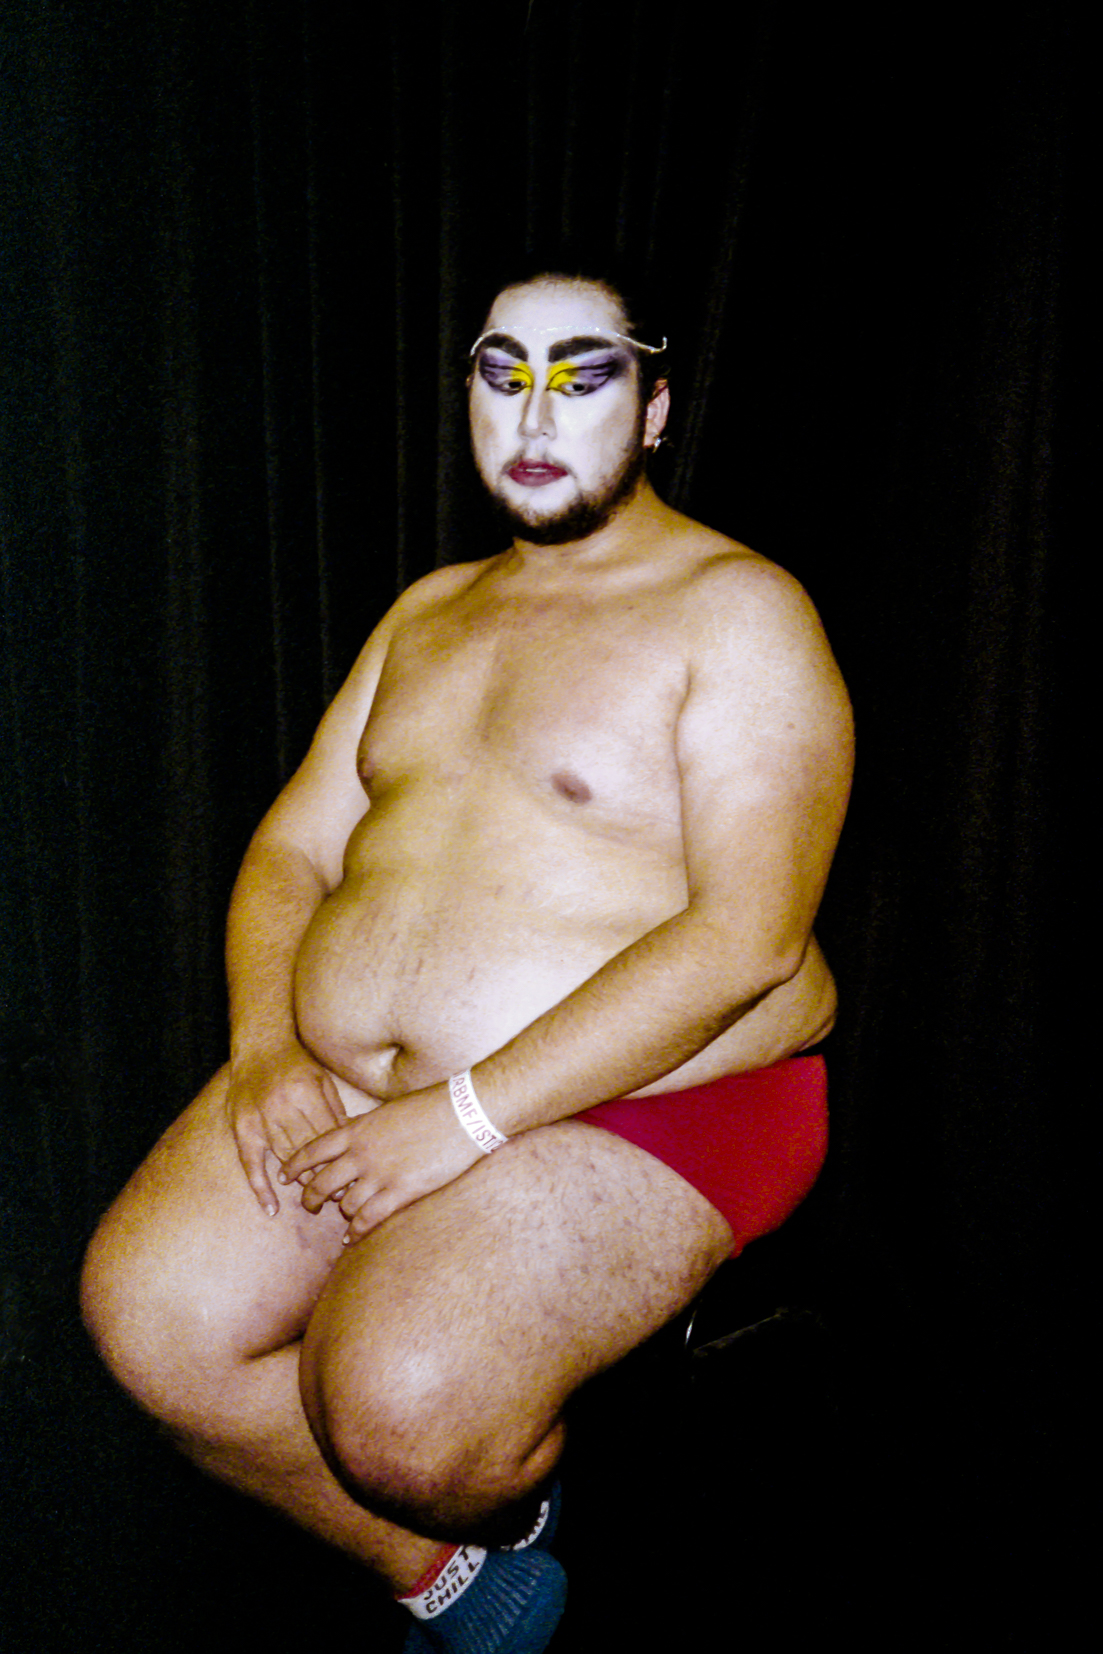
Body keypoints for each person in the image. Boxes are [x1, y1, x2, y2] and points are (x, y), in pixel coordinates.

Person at [81, 270, 853, 1653]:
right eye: (504, 372)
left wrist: (465, 1117)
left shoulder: (741, 614)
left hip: (659, 1093)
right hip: (385, 1090)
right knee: (154, 1321)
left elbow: (751, 939)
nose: (538, 409)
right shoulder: (425, 612)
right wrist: (266, 1045)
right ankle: (465, 1581)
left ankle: (504, 1454)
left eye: (586, 373)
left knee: (396, 1408)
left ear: (658, 405)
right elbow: (290, 852)